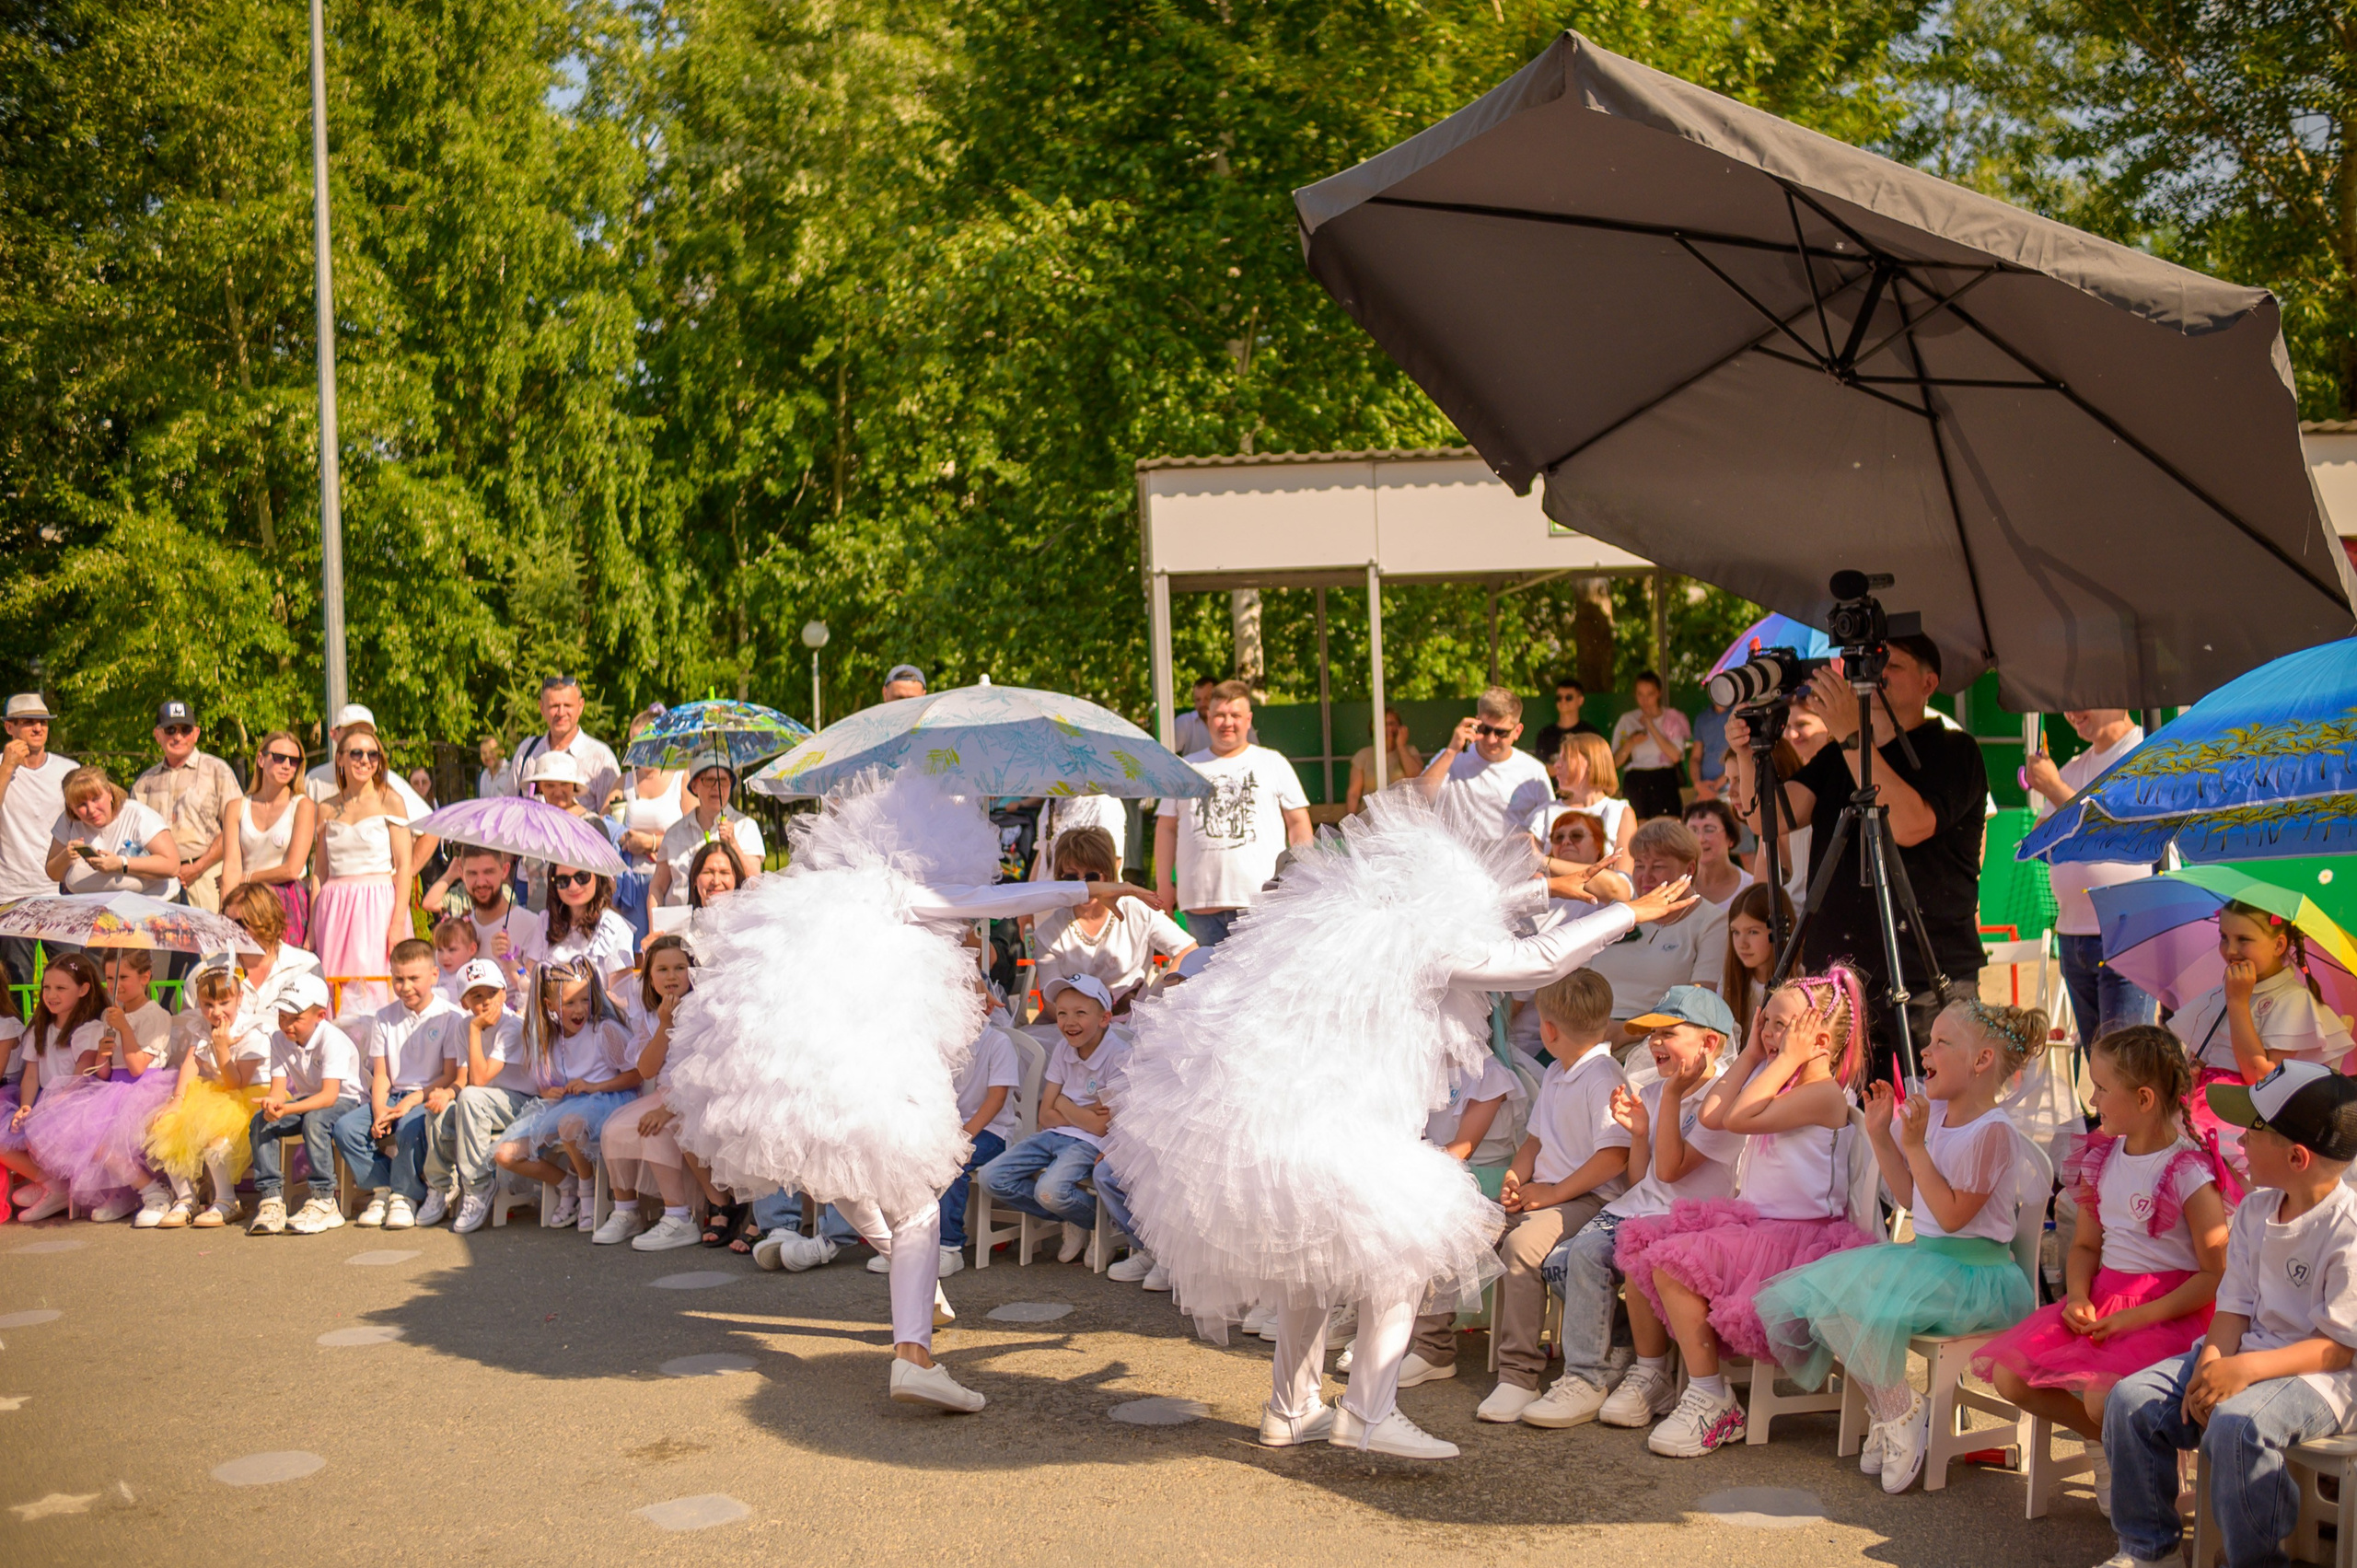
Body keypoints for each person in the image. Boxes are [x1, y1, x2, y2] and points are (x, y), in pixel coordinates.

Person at [1106, 786, 1698, 1460]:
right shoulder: (1415, 942)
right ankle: (1367, 1411)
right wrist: (1629, 910)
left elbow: (1495, 899)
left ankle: (1291, 1407)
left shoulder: (1339, 921)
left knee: (1314, 1263)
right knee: (1404, 1246)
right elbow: (1533, 962)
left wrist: (1574, 883)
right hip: (1348, 1124)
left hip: (1285, 1120)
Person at [666, 770, 1149, 1412]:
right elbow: (988, 900)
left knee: (847, 1179)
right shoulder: (900, 890)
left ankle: (917, 1291)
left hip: (803, 1067)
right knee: (918, 1204)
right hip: (875, 1061)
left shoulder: (818, 895)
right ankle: (913, 1357)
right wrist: (1089, 886)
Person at [1755, 998, 2046, 1493]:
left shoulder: (1993, 1131)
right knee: (1828, 1299)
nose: (1924, 1051)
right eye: (1928, 1040)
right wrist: (1882, 1136)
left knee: (1860, 1304)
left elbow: (1953, 1216)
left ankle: (1899, 1412)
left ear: (1982, 1062)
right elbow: (1915, 1199)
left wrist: (1913, 1146)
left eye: (1941, 1043)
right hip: (1927, 1262)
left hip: (1977, 1279)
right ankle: (1898, 1409)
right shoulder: (1933, 1118)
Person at [2098, 1060, 2357, 1568]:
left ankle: (2256, 1562)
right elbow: (2234, 1306)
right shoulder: (2258, 1209)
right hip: (2246, 1354)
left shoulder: (2347, 1229)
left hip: (2324, 1378)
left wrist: (2241, 1371)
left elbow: (2339, 1346)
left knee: (2237, 1425)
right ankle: (2149, 1550)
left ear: (2297, 1157)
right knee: (2130, 1400)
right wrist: (2209, 1363)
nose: (2238, 1142)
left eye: (2252, 1133)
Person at [1607, 969, 1876, 1450]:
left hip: (1798, 1241)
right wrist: (1753, 1053)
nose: (1771, 1035)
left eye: (1782, 1026)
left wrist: (1777, 1061)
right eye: (1765, 1023)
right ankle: (1657, 1376)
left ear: (1818, 1037)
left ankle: (1712, 1398)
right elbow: (1712, 1115)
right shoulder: (1774, 1079)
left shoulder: (1823, 1094)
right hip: (1759, 1227)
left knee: (1674, 1265)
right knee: (1642, 1239)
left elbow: (1736, 1118)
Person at [1974, 1026, 2233, 1492]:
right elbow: (2086, 1248)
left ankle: (2133, 1453)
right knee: (2011, 1377)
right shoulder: (2103, 1156)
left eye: (2101, 1088)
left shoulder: (2187, 1171)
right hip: (2103, 1300)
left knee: (2100, 1395)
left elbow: (2216, 1274)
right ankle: (2116, 1446)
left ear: (2145, 1099)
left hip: (2169, 1313)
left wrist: (2137, 1319)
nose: (2091, 1099)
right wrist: (2076, 1297)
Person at [1725, 639, 1990, 1081]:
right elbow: (1768, 818)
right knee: (1841, 1122)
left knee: (1931, 1112)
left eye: (1893, 665)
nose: (1876, 674)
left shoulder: (1954, 750)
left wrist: (1852, 737)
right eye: (1869, 664)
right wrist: (1747, 752)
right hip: (1838, 979)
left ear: (1929, 683)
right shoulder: (1836, 756)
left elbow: (1907, 826)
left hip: (1925, 975)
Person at [1522, 986, 1745, 1428]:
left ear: (1710, 1044)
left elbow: (1672, 1172)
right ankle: (1622, 1344)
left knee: (1586, 1255)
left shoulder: (1720, 1100)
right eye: (1652, 1035)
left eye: (1669, 1033)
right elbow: (1642, 1178)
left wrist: (1672, 1102)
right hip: (1640, 1206)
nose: (1654, 1044)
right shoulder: (1663, 1091)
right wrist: (1639, 1133)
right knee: (1557, 1262)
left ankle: (1588, 1377)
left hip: (1686, 1217)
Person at [1454, 969, 1635, 1424]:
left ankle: (1518, 1375)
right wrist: (1517, 1176)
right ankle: (1431, 1349)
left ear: (1548, 1029)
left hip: (1588, 1201)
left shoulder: (1602, 1074)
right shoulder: (1558, 1070)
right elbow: (1534, 1142)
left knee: (1520, 1249)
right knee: (1456, 1227)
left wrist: (1551, 1193)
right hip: (1548, 1196)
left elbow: (1613, 1158)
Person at [2172, 901, 2353, 1182]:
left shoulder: (2293, 1001)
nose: (2230, 950)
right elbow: (2197, 1056)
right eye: (2224, 937)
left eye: (2243, 939)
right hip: (2201, 1098)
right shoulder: (2225, 991)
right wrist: (2189, 1075)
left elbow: (2262, 1079)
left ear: (2279, 945)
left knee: (2189, 1156)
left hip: (2248, 1110)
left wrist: (2238, 1003)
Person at [2025, 711, 2157, 1046]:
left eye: (2082, 699)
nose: (2071, 712)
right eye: (2066, 703)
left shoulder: (2146, 751)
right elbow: (2042, 840)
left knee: (2124, 1063)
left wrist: (2056, 789)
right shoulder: (2072, 767)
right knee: (2101, 1066)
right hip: (2072, 937)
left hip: (2127, 932)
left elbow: (2117, 834)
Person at [978, 975, 1131, 1260]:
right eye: (1062, 1013)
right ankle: (1076, 1217)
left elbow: (1100, 1126)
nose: (1069, 1021)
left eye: (1080, 1013)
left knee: (1050, 1191)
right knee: (992, 1177)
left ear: (1104, 1018)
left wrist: (1063, 1104)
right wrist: (1075, 1111)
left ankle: (1099, 1221)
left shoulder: (1118, 1055)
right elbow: (1045, 1115)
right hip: (1054, 1135)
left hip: (1090, 1143)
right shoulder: (1063, 1048)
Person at [1153, 680, 1310, 948]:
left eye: (1235, 715)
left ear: (1248, 720)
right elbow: (1166, 828)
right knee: (1205, 986)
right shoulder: (1185, 767)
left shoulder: (1272, 762)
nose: (1227, 722)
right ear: (1208, 719)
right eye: (1220, 715)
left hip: (1260, 902)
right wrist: (1164, 885)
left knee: (1258, 985)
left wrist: (1303, 875)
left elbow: (1298, 823)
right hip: (1199, 905)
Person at [492, 960, 641, 1233]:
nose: (579, 1009)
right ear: (549, 1005)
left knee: (569, 1126)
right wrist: (550, 1091)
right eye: (569, 1002)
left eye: (584, 1000)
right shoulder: (551, 1037)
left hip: (609, 1100)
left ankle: (587, 1190)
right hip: (567, 1105)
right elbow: (545, 1086)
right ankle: (566, 1184)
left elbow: (636, 1075)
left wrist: (595, 1087)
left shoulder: (603, 1031)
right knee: (505, 1154)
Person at [329, 938, 463, 1231]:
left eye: (414, 978)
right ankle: (383, 1189)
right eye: (399, 979)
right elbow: (382, 1075)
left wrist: (411, 1102)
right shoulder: (385, 1017)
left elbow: (449, 1075)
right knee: (346, 1129)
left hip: (428, 1096)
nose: (406, 987)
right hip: (393, 1096)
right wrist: (379, 1109)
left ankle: (406, 1195)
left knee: (411, 1127)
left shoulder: (450, 1016)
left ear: (434, 976)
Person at [143, 957, 269, 1228]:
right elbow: (191, 1063)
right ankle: (186, 1198)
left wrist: (222, 1048)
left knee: (215, 1134)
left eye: (224, 1003)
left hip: (247, 1095)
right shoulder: (201, 1027)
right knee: (166, 1125)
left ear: (239, 997)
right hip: (214, 1092)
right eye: (208, 1005)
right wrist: (177, 1100)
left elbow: (237, 1082)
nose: (216, 1012)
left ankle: (226, 1199)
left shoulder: (252, 1030)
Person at [595, 935, 700, 1249]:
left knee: (656, 1131)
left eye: (680, 968)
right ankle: (627, 1211)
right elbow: (647, 1070)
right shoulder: (652, 1017)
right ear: (649, 978)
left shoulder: (701, 1011)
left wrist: (669, 1107)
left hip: (692, 1095)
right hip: (663, 1092)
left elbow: (700, 1072)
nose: (671, 976)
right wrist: (664, 1024)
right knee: (614, 1129)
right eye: (662, 969)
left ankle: (679, 1216)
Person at [245, 972, 364, 1236]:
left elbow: (329, 1096)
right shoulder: (278, 1040)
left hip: (347, 1101)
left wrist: (286, 1108)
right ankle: (271, 1199)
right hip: (308, 1100)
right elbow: (278, 1090)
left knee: (315, 1119)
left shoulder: (332, 1039)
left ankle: (324, 1198)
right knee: (261, 1122)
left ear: (320, 1016)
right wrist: (272, 1106)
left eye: (296, 1018)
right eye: (282, 1016)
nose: (287, 1025)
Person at [1586, 819, 1729, 1029]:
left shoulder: (1712, 922)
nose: (1646, 876)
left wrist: (1625, 1032)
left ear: (1689, 869)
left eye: (1658, 866)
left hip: (1657, 1036)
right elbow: (1580, 979)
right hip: (1590, 1032)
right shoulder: (1621, 911)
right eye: (1640, 866)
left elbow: (1697, 1001)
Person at [310, 721, 412, 1016]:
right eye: (356, 753)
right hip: (335, 908)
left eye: (372, 754)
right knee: (335, 988)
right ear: (340, 758)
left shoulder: (391, 800)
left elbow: (404, 866)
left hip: (377, 905)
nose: (365, 760)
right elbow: (320, 871)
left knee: (375, 986)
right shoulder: (326, 807)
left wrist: (396, 924)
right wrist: (313, 925)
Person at [1031, 827, 1194, 1010]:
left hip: (1133, 1024)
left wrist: (1159, 997)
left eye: (1091, 876)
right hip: (1071, 1031)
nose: (1083, 885)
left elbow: (1188, 950)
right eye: (1071, 876)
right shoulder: (1049, 931)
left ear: (1108, 873)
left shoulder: (1135, 909)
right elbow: (1051, 1002)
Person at [0, 953, 110, 1222]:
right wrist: (27, 1106)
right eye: (46, 988)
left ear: (84, 989)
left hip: (76, 1100)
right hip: (42, 1098)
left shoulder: (89, 1029)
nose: (51, 995)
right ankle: (51, 1183)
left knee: (42, 1130)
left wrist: (49, 1108)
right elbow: (30, 1075)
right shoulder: (40, 1026)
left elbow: (80, 1076)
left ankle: (56, 1186)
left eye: (61, 988)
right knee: (6, 1134)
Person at [448, 958, 539, 1234]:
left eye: (492, 993)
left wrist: (475, 1030)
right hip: (489, 1102)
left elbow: (479, 1079)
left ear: (504, 993)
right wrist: (446, 1094)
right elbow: (464, 1077)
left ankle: (478, 1186)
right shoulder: (462, 1027)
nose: (486, 1002)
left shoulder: (512, 1025)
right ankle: (439, 1187)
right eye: (476, 995)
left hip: (525, 1103)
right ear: (464, 1002)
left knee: (471, 1098)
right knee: (441, 1112)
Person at [132, 699, 240, 914]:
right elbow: (134, 837)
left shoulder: (218, 771)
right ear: (157, 735)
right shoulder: (144, 783)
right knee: (161, 945)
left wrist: (198, 867)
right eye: (170, 729)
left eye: (185, 729)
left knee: (210, 945)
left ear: (197, 733)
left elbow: (235, 828)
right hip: (158, 883)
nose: (178, 736)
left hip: (206, 875)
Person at [939, 1001, 1024, 1276]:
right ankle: (905, 1243)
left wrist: (960, 1138)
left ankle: (948, 1246)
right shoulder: (944, 1042)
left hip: (992, 1130)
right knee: (906, 1154)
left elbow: (996, 1100)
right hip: (949, 1126)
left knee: (951, 1161)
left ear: (985, 1008)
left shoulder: (998, 1042)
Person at [1, 693, 75, 978]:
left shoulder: (68, 770)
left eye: (43, 722)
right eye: (28, 722)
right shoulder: (1, 768)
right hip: (11, 894)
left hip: (60, 894)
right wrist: (8, 766)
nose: (38, 729)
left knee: (74, 978)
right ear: (10, 728)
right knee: (16, 984)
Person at [221, 731, 319, 949]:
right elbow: (230, 868)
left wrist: (247, 878)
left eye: (294, 761)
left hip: (287, 900)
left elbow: (292, 869)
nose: (286, 765)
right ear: (260, 759)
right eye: (278, 757)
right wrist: (224, 915)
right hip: (245, 902)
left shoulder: (302, 805)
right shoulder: (236, 807)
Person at [1420, 686, 1554, 841]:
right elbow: (1419, 799)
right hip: (1459, 862)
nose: (1491, 739)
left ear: (1517, 731)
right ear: (1475, 723)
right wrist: (1451, 751)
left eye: (1501, 732)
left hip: (1510, 863)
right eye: (1485, 729)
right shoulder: (1452, 758)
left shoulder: (1534, 771)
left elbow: (1548, 830)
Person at [46, 765, 180, 900]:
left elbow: (172, 866)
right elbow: (54, 874)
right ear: (71, 807)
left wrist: (121, 864)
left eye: (95, 799)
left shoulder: (138, 815)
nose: (91, 810)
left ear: (109, 793)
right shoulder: (68, 822)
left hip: (152, 908)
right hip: (94, 910)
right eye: (81, 805)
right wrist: (66, 855)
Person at [611, 705, 686, 940]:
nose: (640, 750)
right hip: (631, 886)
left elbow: (694, 833)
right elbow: (602, 827)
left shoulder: (682, 778)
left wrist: (651, 842)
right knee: (636, 957)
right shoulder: (624, 781)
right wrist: (621, 836)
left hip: (672, 883)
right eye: (635, 743)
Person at [424, 848, 531, 1011]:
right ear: (461, 873)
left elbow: (533, 989)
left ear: (505, 871)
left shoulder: (530, 923)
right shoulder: (461, 926)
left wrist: (507, 958)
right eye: (472, 873)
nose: (481, 882)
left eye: (488, 872)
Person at [494, 677, 621, 812]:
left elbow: (611, 823)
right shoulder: (527, 752)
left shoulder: (601, 759)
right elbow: (509, 807)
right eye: (554, 706)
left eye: (567, 706)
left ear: (581, 706)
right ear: (542, 708)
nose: (561, 713)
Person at [652, 760, 763, 909]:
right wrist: (656, 927)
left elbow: (755, 883)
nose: (717, 787)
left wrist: (733, 845)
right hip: (682, 926)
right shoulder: (675, 833)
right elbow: (657, 888)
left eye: (723, 780)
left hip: (730, 923)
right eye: (709, 780)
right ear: (694, 786)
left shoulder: (745, 826)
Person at [517, 865, 637, 1003]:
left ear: (597, 877)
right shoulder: (546, 920)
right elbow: (529, 982)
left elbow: (621, 998)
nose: (573, 887)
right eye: (563, 880)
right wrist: (506, 960)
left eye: (582, 877)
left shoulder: (613, 926)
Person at [219, 879, 324, 1036]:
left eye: (240, 924)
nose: (231, 931)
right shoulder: (212, 971)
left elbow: (318, 1030)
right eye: (226, 923)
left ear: (265, 921)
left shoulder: (305, 967)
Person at [1529, 732, 1633, 865]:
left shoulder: (1619, 811)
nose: (1557, 765)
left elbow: (1624, 877)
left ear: (1591, 762)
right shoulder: (1545, 812)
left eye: (1565, 759)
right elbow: (1530, 867)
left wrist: (1546, 863)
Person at [1612, 672, 1692, 822]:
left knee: (1667, 828)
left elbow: (1675, 755)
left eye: (1650, 694)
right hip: (1636, 779)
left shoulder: (1671, 718)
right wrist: (1631, 742)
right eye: (1640, 694)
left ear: (1659, 693)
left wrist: (1651, 726)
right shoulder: (1627, 720)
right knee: (1638, 828)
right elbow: (1614, 762)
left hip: (1664, 777)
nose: (1645, 700)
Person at [1722, 882, 1795, 1041]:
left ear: (1779, 933)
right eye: (1735, 932)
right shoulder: (1730, 980)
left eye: (1753, 932)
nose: (1742, 943)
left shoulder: (1800, 981)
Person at [1345, 707, 1423, 812]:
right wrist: (1351, 822)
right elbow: (1353, 794)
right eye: (1384, 724)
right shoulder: (1363, 755)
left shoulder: (1410, 750)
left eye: (1392, 723)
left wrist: (1401, 746)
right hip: (1372, 816)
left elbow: (1416, 777)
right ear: (1374, 727)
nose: (1389, 728)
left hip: (1403, 816)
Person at [1683, 798, 1751, 909]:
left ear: (1730, 838)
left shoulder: (1749, 889)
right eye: (1693, 830)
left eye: (1709, 830)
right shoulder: (1675, 887)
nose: (1700, 839)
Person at [1530, 676, 1603, 767]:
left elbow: (1598, 767)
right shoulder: (1545, 734)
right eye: (1559, 698)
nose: (1563, 701)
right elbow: (1540, 768)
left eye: (1568, 697)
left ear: (1580, 701)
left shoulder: (1591, 734)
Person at [1690, 695, 1732, 802]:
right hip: (1703, 789)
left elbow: (1740, 756)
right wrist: (1698, 784)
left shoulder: (1739, 714)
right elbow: (1695, 757)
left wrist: (1714, 787)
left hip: (1730, 788)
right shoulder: (1702, 719)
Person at [1173, 677, 1217, 756]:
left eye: (1207, 698)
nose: (1202, 704)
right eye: (1198, 699)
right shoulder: (1184, 722)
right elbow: (1167, 752)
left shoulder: (1231, 723)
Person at [476, 736, 506, 801]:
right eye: (484, 753)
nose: (488, 756)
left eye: (492, 751)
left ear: (502, 751)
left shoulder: (510, 773)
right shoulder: (483, 776)